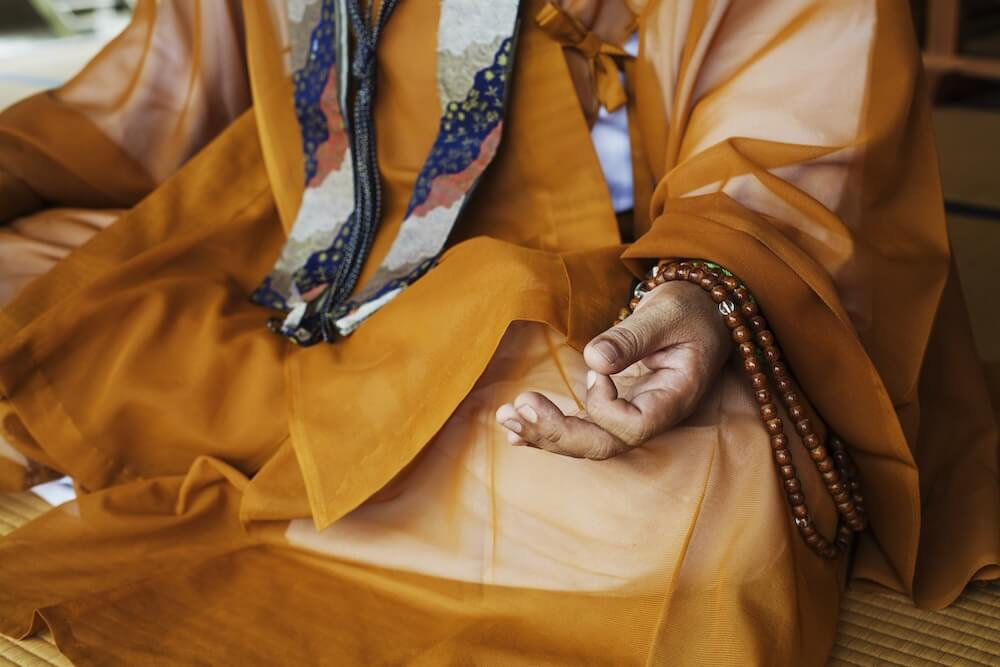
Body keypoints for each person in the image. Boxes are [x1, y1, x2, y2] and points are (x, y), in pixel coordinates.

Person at [0, 0, 996, 664]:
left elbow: (801, 134)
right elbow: (166, 91)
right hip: (295, 242)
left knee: (684, 514)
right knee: (36, 281)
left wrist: (705, 293)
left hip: (613, 280)